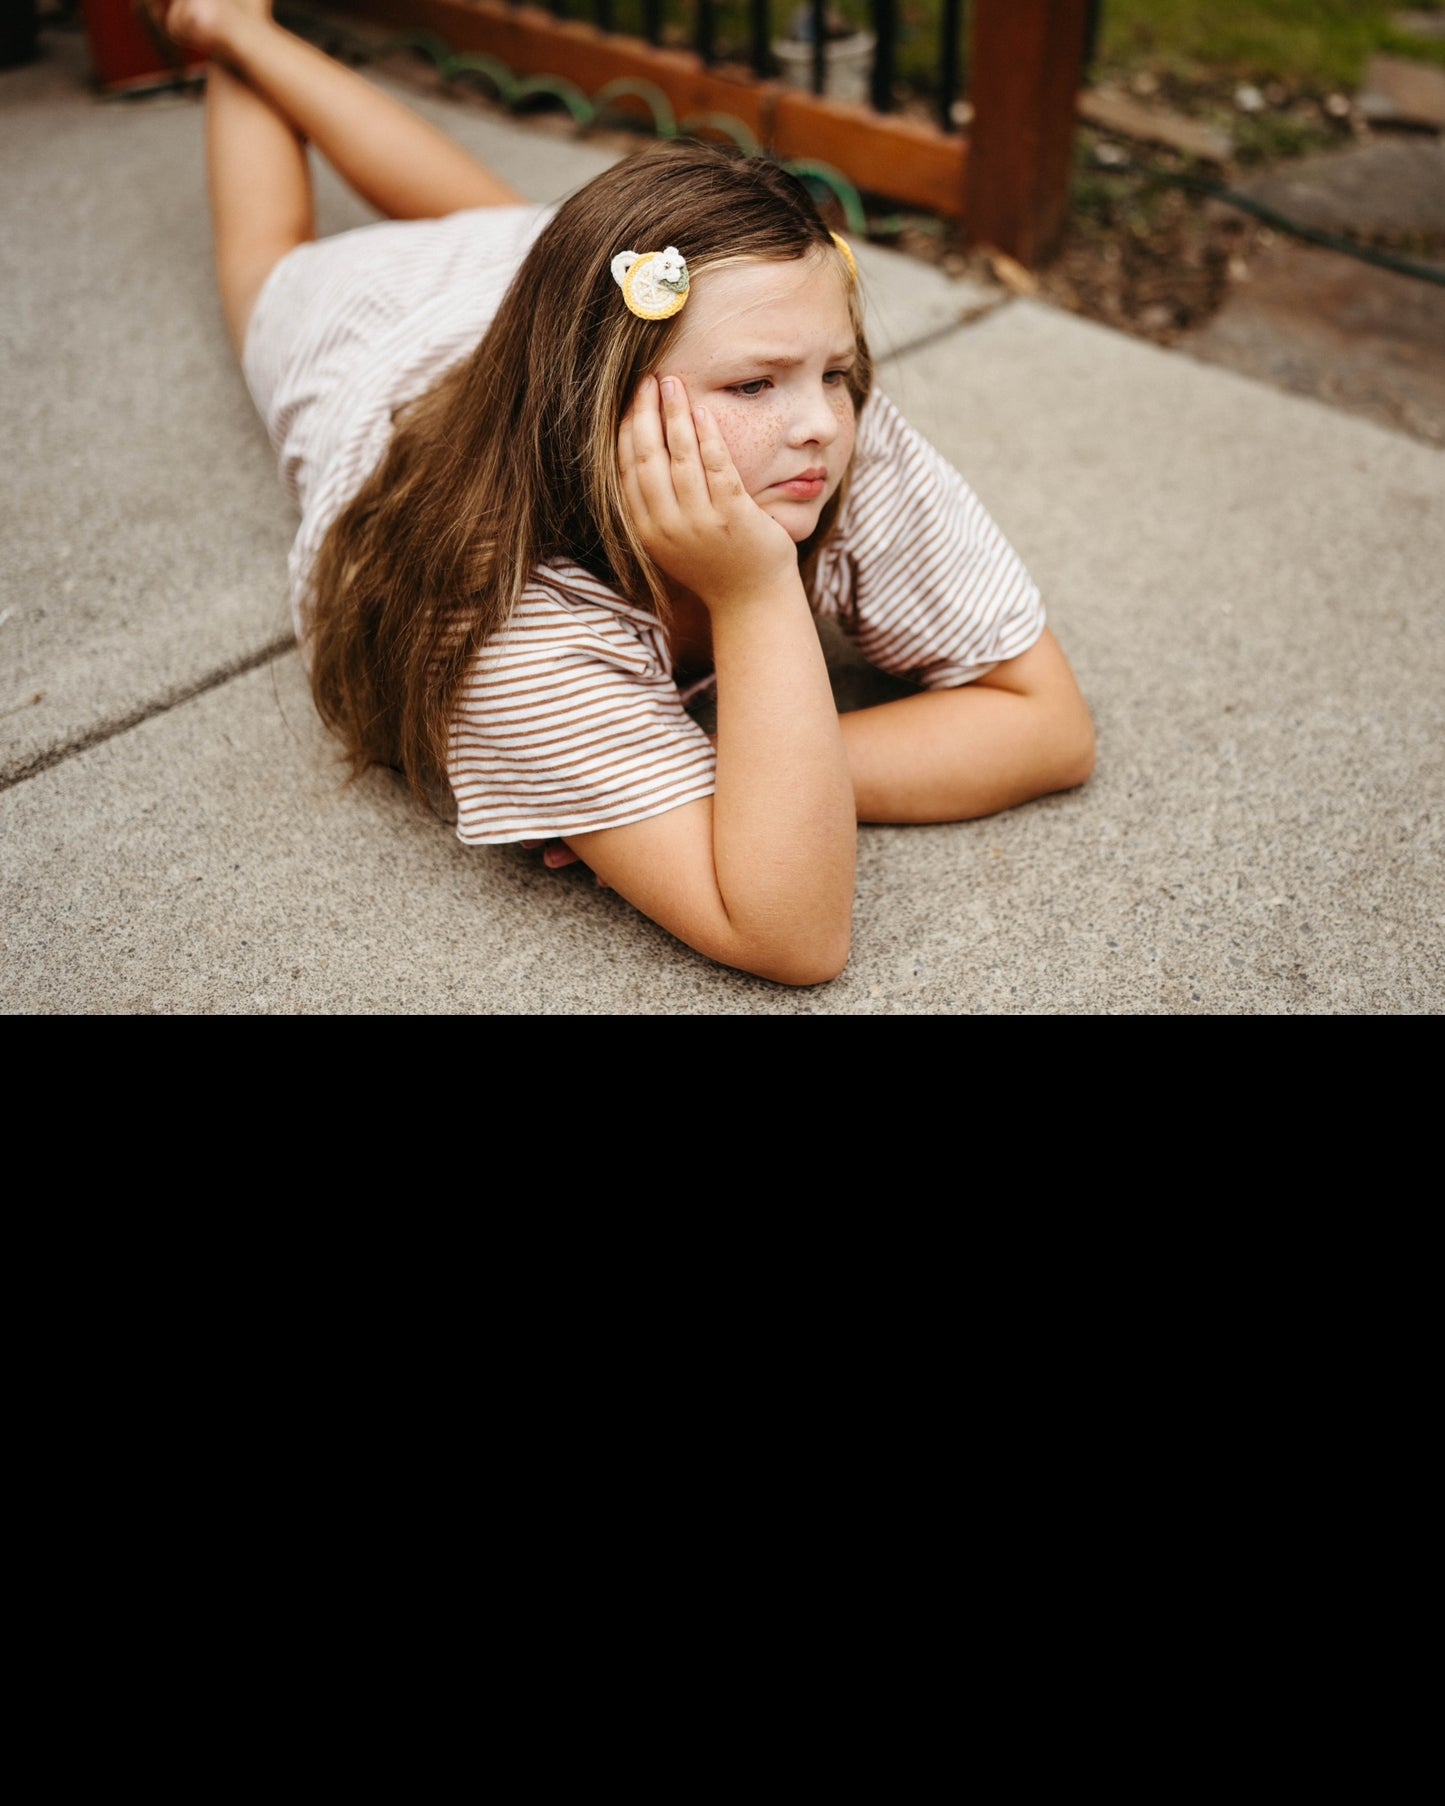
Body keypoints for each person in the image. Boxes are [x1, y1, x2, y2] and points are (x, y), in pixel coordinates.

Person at [149, 0, 1096, 987]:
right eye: (751, 385)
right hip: (380, 349)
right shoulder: (501, 617)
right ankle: (234, 27)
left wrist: (738, 767)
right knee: (265, 261)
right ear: (599, 403)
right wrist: (754, 594)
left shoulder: (812, 433)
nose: (818, 417)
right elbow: (791, 933)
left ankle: (254, 32)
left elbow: (1049, 725)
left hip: (552, 294)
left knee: (520, 232)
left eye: (833, 369)